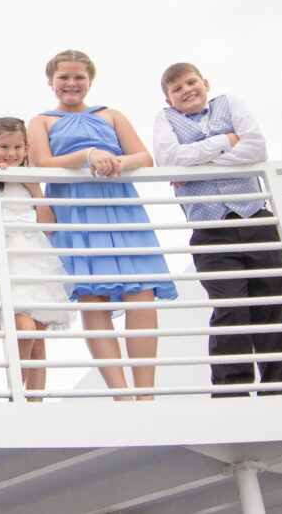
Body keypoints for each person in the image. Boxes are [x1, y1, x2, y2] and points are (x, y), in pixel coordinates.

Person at [27, 50, 176, 401]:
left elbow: (144, 156)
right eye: (64, 77)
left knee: (141, 294)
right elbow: (42, 164)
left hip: (120, 206)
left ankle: (146, 393)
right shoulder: (41, 121)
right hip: (76, 211)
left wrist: (113, 161)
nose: (72, 84)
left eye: (79, 77)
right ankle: (121, 394)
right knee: (92, 298)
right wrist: (87, 155)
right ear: (51, 82)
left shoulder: (111, 114)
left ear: (89, 81)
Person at [154, 62, 282, 397]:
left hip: (255, 218)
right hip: (209, 228)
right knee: (230, 307)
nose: (187, 90)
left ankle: (280, 391)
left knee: (271, 307)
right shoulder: (164, 119)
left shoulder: (230, 103)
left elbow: (257, 148)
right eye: (177, 89)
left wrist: (199, 163)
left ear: (205, 83)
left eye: (191, 82)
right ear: (170, 99)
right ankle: (231, 391)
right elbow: (169, 160)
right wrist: (226, 142)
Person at [0, 117, 74, 401]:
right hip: (8, 259)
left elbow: (48, 225)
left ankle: (35, 401)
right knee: (24, 330)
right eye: (4, 146)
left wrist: (34, 190)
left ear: (27, 147)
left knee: (38, 338)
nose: (11, 153)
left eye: (18, 146)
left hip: (35, 257)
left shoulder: (30, 178)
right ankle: (15, 394)